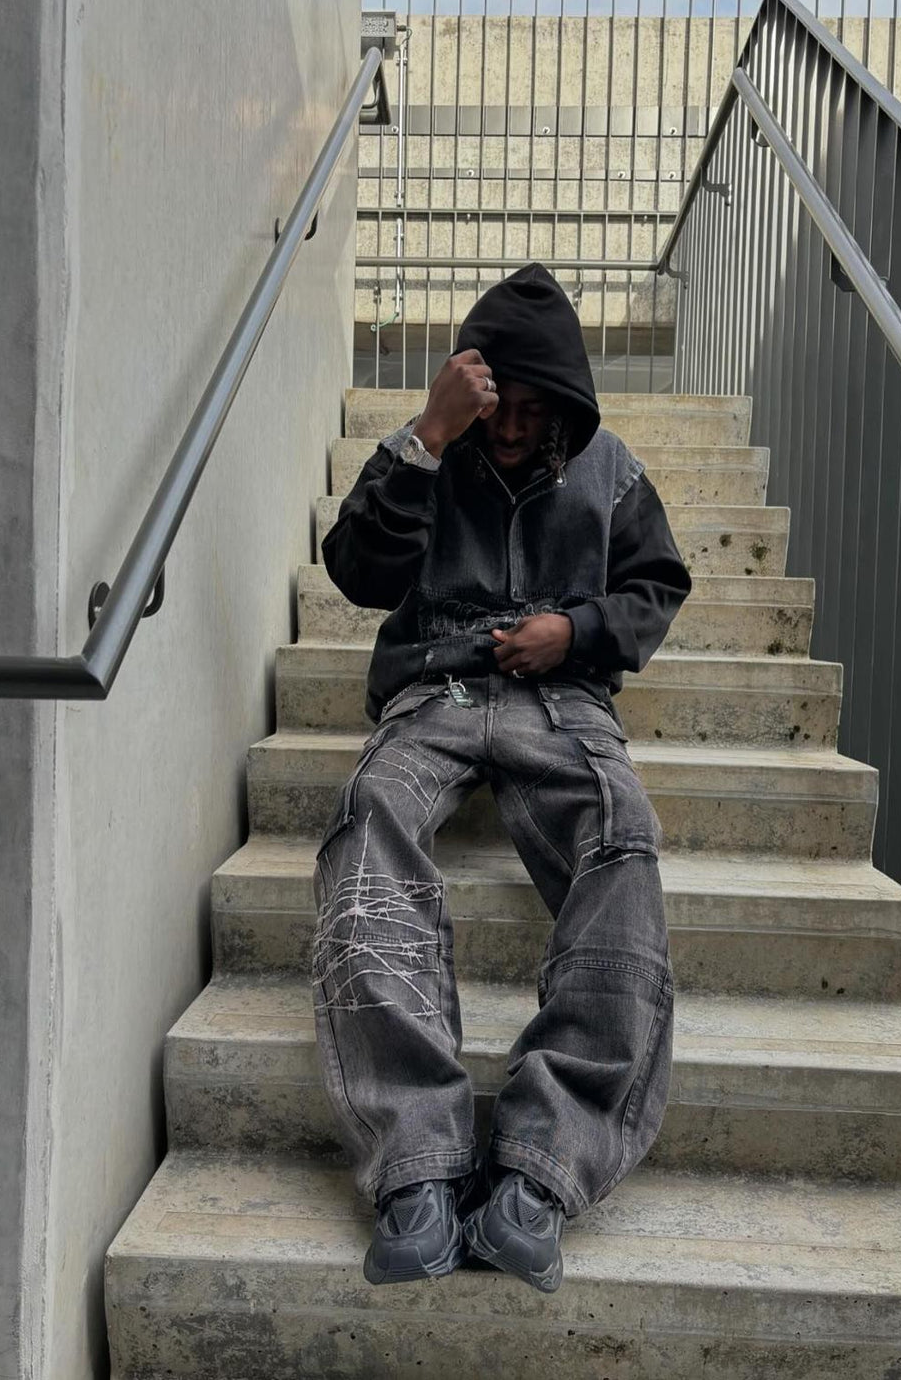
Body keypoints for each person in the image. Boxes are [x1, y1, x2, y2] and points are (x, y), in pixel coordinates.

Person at [312, 261, 692, 1293]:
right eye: (498, 407)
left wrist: (575, 630)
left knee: (622, 833)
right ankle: (418, 1168)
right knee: (367, 815)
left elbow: (657, 585)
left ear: (563, 404)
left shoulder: (608, 468)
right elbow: (356, 572)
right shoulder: (431, 448)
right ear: (470, 388)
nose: (514, 428)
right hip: (435, 685)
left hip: (562, 700)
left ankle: (540, 1166)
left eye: (534, 411)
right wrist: (427, 436)